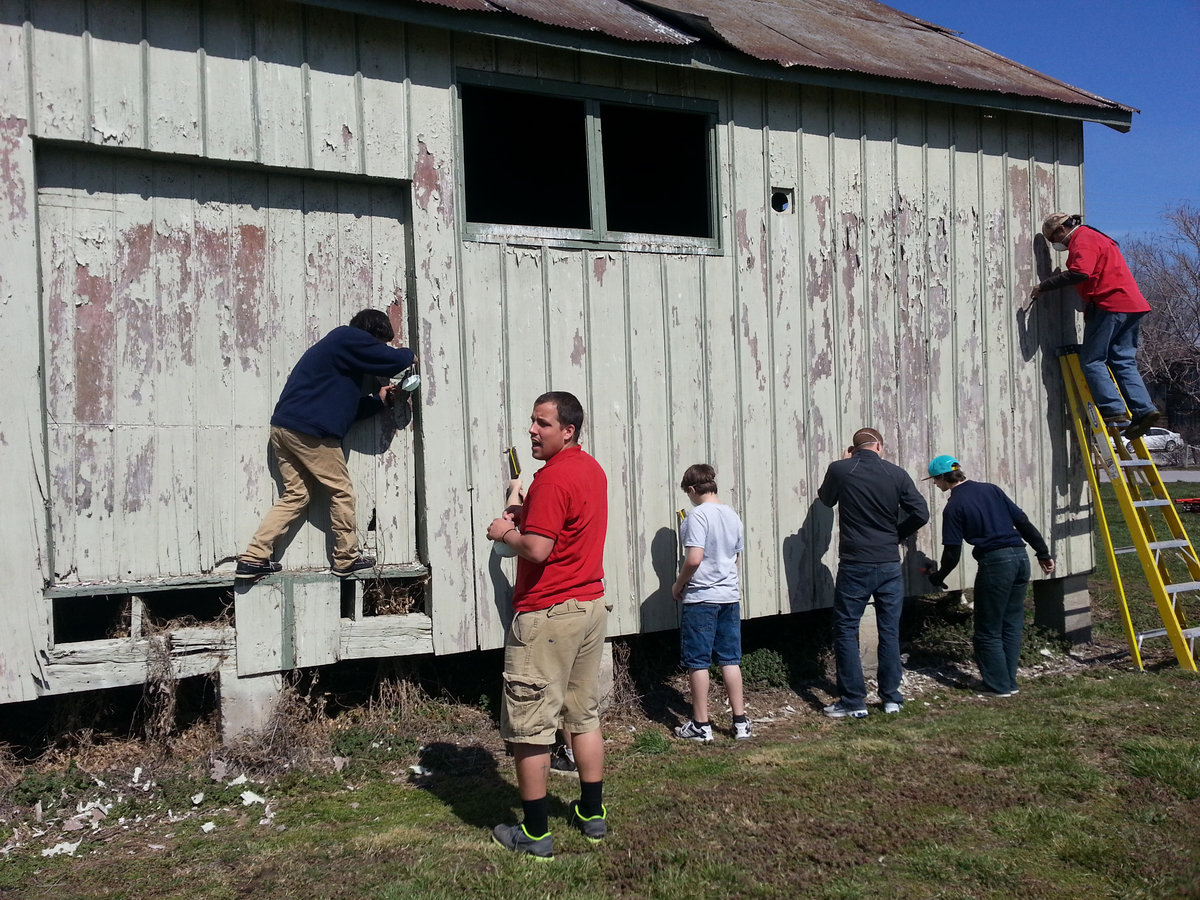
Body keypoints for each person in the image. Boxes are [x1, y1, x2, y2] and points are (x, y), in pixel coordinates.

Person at [485, 391, 609, 860]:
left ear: (568, 430)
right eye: (532, 422)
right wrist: (525, 515)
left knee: (530, 724)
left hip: (548, 614)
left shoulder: (554, 479)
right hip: (589, 606)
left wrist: (504, 532)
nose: (533, 431)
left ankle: (535, 834)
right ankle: (591, 813)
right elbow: (559, 529)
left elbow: (536, 550)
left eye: (542, 424)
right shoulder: (589, 470)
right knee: (583, 714)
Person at [236, 309, 415, 579]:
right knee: (341, 492)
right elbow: (391, 361)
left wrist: (378, 400)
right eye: (379, 344)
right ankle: (345, 558)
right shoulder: (347, 336)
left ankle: (253, 558)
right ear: (370, 334)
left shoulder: (338, 357)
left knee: (296, 495)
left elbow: (345, 410)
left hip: (285, 428)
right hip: (311, 432)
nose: (378, 350)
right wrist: (409, 355)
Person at [817, 427, 929, 718]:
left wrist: (843, 462)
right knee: (889, 630)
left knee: (846, 629)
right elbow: (921, 512)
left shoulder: (841, 469)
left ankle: (854, 701)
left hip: (855, 562)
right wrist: (896, 535)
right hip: (889, 562)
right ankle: (891, 697)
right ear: (879, 445)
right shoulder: (897, 473)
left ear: (854, 448)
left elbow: (826, 500)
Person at [924, 455, 1055, 697]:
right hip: (1020, 559)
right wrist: (1043, 553)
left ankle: (997, 685)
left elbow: (952, 551)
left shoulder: (954, 506)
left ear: (943, 477)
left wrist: (938, 576)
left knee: (987, 628)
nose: (935, 484)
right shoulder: (991, 490)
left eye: (934, 480)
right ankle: (1009, 681)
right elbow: (1022, 522)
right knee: (1011, 623)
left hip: (996, 564)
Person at [1030, 212, 1161, 440]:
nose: (1057, 245)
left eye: (1054, 240)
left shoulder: (1083, 238)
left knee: (1092, 360)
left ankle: (1113, 409)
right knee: (1122, 360)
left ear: (1061, 230)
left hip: (1110, 304)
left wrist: (1045, 286)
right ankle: (1144, 410)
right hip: (1131, 304)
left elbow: (1081, 271)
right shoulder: (1098, 238)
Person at [671, 464, 751, 742]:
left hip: (702, 598)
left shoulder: (697, 516)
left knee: (698, 662)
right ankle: (740, 722)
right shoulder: (732, 514)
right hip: (729, 595)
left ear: (692, 490)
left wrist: (678, 585)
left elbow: (694, 558)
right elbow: (736, 557)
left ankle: (701, 724)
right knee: (730, 659)